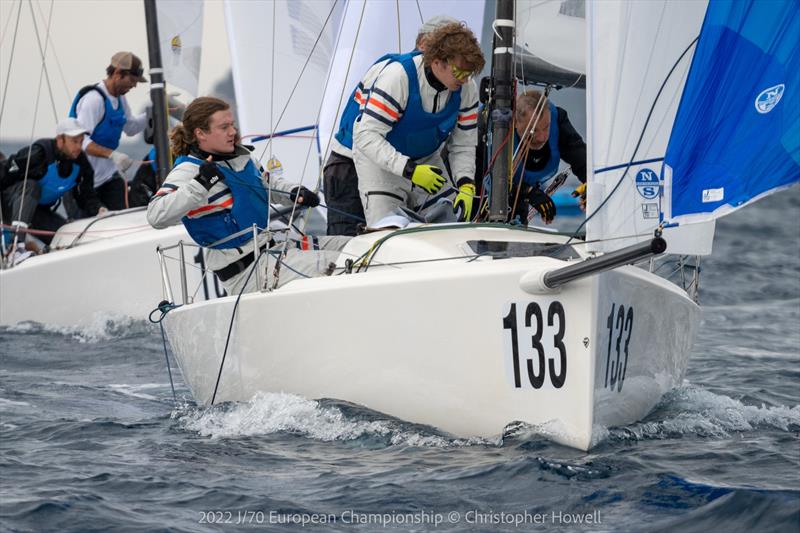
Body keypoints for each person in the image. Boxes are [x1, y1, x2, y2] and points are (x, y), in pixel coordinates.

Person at [147, 97, 350, 295]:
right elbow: (156, 215)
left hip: (275, 248)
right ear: (201, 133)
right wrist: (200, 183)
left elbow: (268, 184)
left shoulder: (242, 157)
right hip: (248, 273)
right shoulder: (188, 171)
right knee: (347, 264)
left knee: (354, 247)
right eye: (224, 127)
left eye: (232, 125)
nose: (233, 132)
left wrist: (294, 192)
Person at [324, 15, 459, 236]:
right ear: (424, 44)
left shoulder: (444, 85)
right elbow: (367, 135)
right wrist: (409, 169)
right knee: (350, 246)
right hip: (350, 165)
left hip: (396, 166)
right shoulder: (394, 73)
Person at [0, 118, 105, 257]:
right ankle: (15, 248)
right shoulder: (38, 154)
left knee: (66, 237)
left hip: (35, 212)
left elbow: (87, 195)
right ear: (60, 140)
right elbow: (5, 171)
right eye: (74, 141)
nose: (79, 147)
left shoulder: (81, 166)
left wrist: (99, 209)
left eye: (81, 142)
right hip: (7, 205)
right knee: (31, 186)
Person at [69, 51, 149, 212]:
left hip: (109, 177)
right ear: (118, 74)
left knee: (124, 219)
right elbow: (80, 141)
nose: (134, 86)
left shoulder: (121, 99)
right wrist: (113, 155)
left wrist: (154, 112)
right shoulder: (94, 100)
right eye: (132, 80)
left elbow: (131, 128)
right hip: (82, 182)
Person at [510, 90, 587, 224]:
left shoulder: (558, 121)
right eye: (533, 131)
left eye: (546, 128)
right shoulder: (501, 129)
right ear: (515, 123)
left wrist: (590, 185)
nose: (542, 137)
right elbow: (484, 175)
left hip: (520, 203)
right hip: (486, 201)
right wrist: (526, 191)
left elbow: (582, 161)